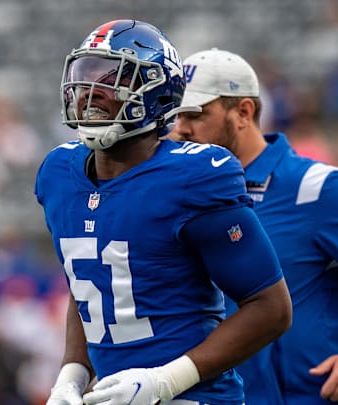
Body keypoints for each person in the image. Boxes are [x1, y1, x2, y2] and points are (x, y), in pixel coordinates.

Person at [35, 21, 292, 405]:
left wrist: (167, 380)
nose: (90, 93)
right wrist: (72, 374)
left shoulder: (192, 177)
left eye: (111, 80)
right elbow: (88, 284)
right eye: (85, 78)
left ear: (156, 93)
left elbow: (271, 308)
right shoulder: (59, 173)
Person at [173, 48, 338, 404]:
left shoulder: (311, 185)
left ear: (243, 112)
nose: (181, 128)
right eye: (177, 115)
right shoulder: (188, 190)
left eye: (196, 114)